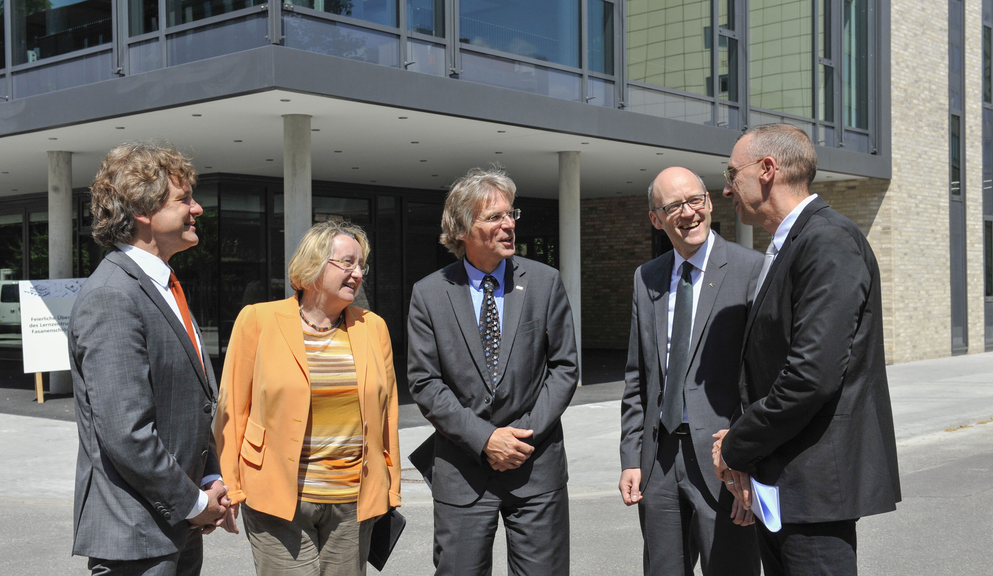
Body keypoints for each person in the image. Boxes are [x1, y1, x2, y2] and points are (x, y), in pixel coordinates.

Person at [713, 123, 901, 575]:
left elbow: (810, 376)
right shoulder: (790, 244)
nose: (725, 188)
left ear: (767, 170)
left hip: (815, 493)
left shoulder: (828, 241)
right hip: (786, 488)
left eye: (731, 172)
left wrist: (737, 443)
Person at [69, 141, 234, 576]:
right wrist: (195, 503)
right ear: (143, 211)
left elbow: (189, 404)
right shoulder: (111, 296)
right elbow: (127, 432)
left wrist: (208, 478)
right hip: (136, 539)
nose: (197, 209)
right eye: (184, 199)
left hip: (176, 526)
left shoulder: (163, 285)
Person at [407, 167, 579, 576]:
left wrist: (518, 439)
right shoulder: (429, 294)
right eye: (494, 217)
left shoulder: (545, 282)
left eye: (510, 214)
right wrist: (485, 440)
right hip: (463, 472)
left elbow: (564, 368)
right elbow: (425, 382)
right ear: (463, 228)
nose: (509, 225)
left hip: (536, 467)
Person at [214, 221, 400, 576]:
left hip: (352, 501)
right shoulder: (258, 320)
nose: (357, 273)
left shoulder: (373, 327)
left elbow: (387, 413)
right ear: (314, 264)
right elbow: (231, 409)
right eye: (347, 263)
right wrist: (231, 485)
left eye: (361, 265)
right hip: (277, 498)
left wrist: (390, 487)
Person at [619, 167, 762, 576]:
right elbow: (637, 378)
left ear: (710, 202)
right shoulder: (646, 277)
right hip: (659, 461)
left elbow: (760, 378)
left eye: (695, 200)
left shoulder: (749, 270)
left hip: (724, 462)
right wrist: (632, 458)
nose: (688, 213)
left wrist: (749, 461)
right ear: (655, 218)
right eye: (674, 206)